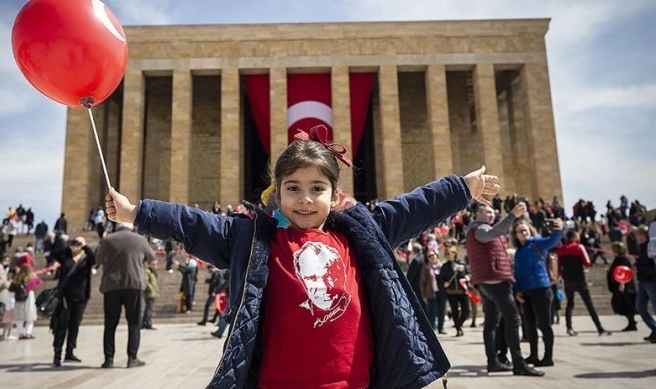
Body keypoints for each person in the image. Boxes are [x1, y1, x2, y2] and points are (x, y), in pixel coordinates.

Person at [105, 124, 500, 387]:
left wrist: (461, 188)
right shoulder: (252, 238)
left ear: (334, 193)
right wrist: (136, 212)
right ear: (278, 192)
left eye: (317, 188)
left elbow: (413, 208)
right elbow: (193, 224)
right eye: (293, 188)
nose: (306, 198)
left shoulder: (361, 232)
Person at [465, 202, 543, 376]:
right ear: (477, 214)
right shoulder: (479, 229)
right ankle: (518, 364)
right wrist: (512, 215)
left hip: (488, 280)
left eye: (493, 212)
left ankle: (493, 362)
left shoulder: (477, 229)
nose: (491, 215)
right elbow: (493, 233)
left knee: (492, 322)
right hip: (495, 280)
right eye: (487, 212)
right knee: (513, 320)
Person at [96, 222, 156, 369]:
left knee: (110, 324)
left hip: (111, 286)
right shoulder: (140, 239)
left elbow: (97, 260)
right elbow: (152, 256)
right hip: (133, 284)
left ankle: (109, 359)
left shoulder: (108, 240)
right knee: (134, 323)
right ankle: (132, 358)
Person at [511, 219, 563, 367]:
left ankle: (548, 357)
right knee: (529, 325)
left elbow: (553, 240)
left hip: (541, 288)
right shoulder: (518, 251)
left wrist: (559, 229)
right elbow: (517, 273)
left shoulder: (537, 243)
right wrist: (517, 291)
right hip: (526, 291)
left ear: (530, 231)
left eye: (525, 230)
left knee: (544, 324)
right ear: (516, 235)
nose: (523, 233)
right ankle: (533, 355)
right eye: (520, 231)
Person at [49, 237, 96, 367]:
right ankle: (57, 354)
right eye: (75, 243)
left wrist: (85, 246)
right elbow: (54, 253)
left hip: (80, 297)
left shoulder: (86, 259)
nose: (76, 245)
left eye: (78, 244)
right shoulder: (66, 257)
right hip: (64, 297)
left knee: (74, 325)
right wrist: (68, 246)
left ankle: (70, 352)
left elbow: (95, 259)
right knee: (61, 325)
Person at [557, 230, 611, 337]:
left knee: (570, 304)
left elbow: (558, 265)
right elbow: (587, 263)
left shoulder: (561, 249)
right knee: (589, 304)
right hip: (579, 280)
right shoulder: (579, 247)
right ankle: (599, 328)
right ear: (574, 237)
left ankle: (569, 327)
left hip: (567, 280)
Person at [631, 226, 656, 343]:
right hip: (643, 280)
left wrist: (640, 268)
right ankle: (654, 328)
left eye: (637, 234)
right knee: (640, 307)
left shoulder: (650, 246)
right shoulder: (642, 247)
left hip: (651, 279)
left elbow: (651, 263)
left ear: (643, 235)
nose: (636, 237)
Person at [440, 245, 470, 337]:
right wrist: (444, 283)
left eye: (450, 253)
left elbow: (468, 273)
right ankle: (458, 329)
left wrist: (468, 277)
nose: (448, 255)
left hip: (462, 290)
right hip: (451, 292)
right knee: (454, 311)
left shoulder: (462, 264)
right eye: (446, 254)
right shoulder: (445, 266)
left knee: (466, 311)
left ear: (455, 253)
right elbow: (441, 278)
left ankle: (459, 325)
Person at [607, 242, 637, 331]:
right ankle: (631, 322)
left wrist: (622, 283)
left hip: (624, 285)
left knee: (625, 304)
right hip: (621, 284)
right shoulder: (619, 259)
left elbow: (624, 271)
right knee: (622, 303)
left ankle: (632, 322)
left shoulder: (622, 259)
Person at [10, 264, 42, 339]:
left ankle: (20, 333)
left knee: (20, 317)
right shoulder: (32, 277)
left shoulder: (17, 278)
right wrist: (35, 276)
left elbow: (11, 288)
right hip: (29, 296)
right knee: (30, 316)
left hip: (18, 297)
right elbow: (40, 282)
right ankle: (28, 333)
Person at [420, 250, 447, 335]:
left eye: (433, 255)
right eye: (429, 256)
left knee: (442, 310)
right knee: (432, 311)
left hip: (442, 292)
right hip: (431, 292)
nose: (432, 257)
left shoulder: (442, 266)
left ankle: (441, 327)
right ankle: (433, 327)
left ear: (437, 256)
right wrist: (423, 294)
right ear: (427, 259)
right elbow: (422, 282)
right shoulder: (426, 268)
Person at [143, 259, 160, 330]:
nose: (155, 266)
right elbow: (146, 281)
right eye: (153, 264)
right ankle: (148, 323)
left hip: (153, 293)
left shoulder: (153, 272)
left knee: (149, 308)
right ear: (149, 265)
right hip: (149, 293)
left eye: (156, 264)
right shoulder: (148, 272)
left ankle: (143, 323)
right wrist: (151, 289)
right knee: (148, 309)